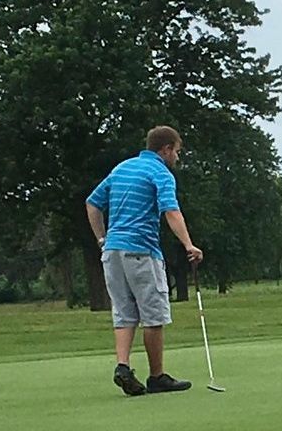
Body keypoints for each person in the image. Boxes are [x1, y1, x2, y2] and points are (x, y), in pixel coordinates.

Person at [86, 126, 204, 395]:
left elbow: (92, 204)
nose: (177, 157)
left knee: (124, 313)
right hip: (140, 250)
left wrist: (102, 239)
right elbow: (171, 211)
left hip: (112, 252)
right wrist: (189, 245)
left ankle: (123, 366)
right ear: (165, 150)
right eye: (176, 151)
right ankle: (157, 376)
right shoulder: (160, 172)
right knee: (153, 316)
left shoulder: (122, 168)